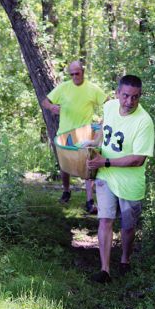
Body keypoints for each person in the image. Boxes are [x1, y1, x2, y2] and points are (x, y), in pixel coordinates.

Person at [84, 75, 155, 282]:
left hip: (130, 183)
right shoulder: (109, 107)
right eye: (125, 96)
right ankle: (105, 270)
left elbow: (138, 160)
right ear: (117, 94)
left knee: (127, 226)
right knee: (105, 219)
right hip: (106, 176)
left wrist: (103, 162)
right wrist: (92, 144)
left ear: (140, 96)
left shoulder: (144, 122)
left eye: (135, 97)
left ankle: (125, 259)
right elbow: (103, 131)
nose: (129, 102)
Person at [42, 60, 107, 213]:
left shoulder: (92, 89)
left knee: (88, 166)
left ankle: (89, 201)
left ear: (82, 72)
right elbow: (45, 101)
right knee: (64, 167)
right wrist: (52, 107)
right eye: (71, 74)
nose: (74, 76)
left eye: (77, 73)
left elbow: (109, 103)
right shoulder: (63, 88)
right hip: (64, 134)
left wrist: (105, 120)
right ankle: (66, 190)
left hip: (84, 134)